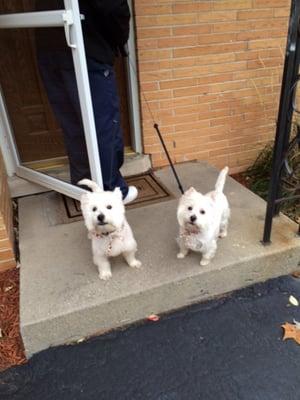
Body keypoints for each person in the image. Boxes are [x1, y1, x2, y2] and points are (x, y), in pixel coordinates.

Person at [35, 0, 137, 204]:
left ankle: (83, 188)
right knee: (103, 127)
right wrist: (117, 41)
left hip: (50, 47)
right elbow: (113, 8)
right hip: (86, 48)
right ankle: (112, 192)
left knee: (74, 124)